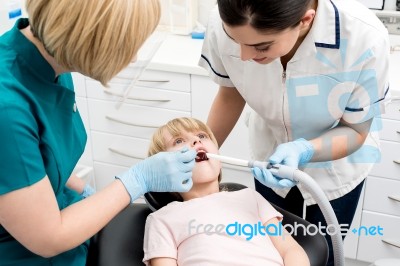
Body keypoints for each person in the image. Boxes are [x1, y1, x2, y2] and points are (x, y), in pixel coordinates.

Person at [0, 0, 197, 265]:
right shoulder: (8, 107)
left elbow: (40, 158)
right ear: (89, 40)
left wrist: (86, 191)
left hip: (66, 219)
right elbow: (48, 238)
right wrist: (134, 181)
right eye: (128, 45)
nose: (134, 58)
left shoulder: (53, 62)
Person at [198, 0, 390, 265]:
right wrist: (203, 150)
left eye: (261, 46)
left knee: (326, 254)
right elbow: (230, 94)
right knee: (270, 253)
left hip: (337, 167)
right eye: (235, 41)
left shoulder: (363, 38)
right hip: (271, 159)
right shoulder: (224, 21)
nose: (243, 55)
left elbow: (356, 130)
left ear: (305, 21)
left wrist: (304, 149)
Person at [143, 117, 310, 266]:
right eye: (178, 141)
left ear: (219, 158)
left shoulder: (250, 198)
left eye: (202, 136)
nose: (195, 141)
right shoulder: (162, 219)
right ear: (162, 170)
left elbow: (291, 250)